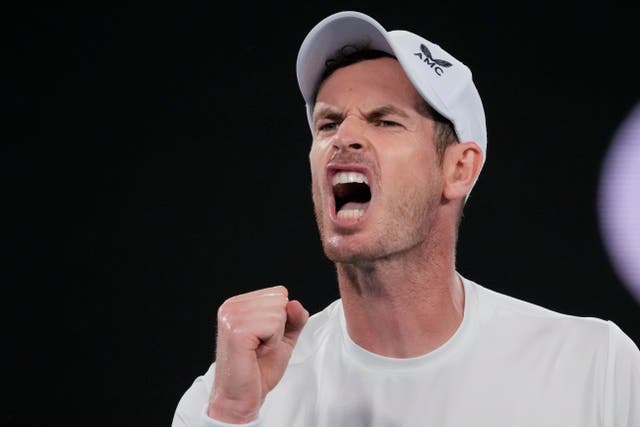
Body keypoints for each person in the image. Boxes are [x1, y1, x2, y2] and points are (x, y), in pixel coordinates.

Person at [172, 10, 640, 427]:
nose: (345, 138)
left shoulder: (593, 367)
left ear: (459, 169)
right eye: (329, 124)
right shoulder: (232, 396)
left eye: (384, 120)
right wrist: (232, 418)